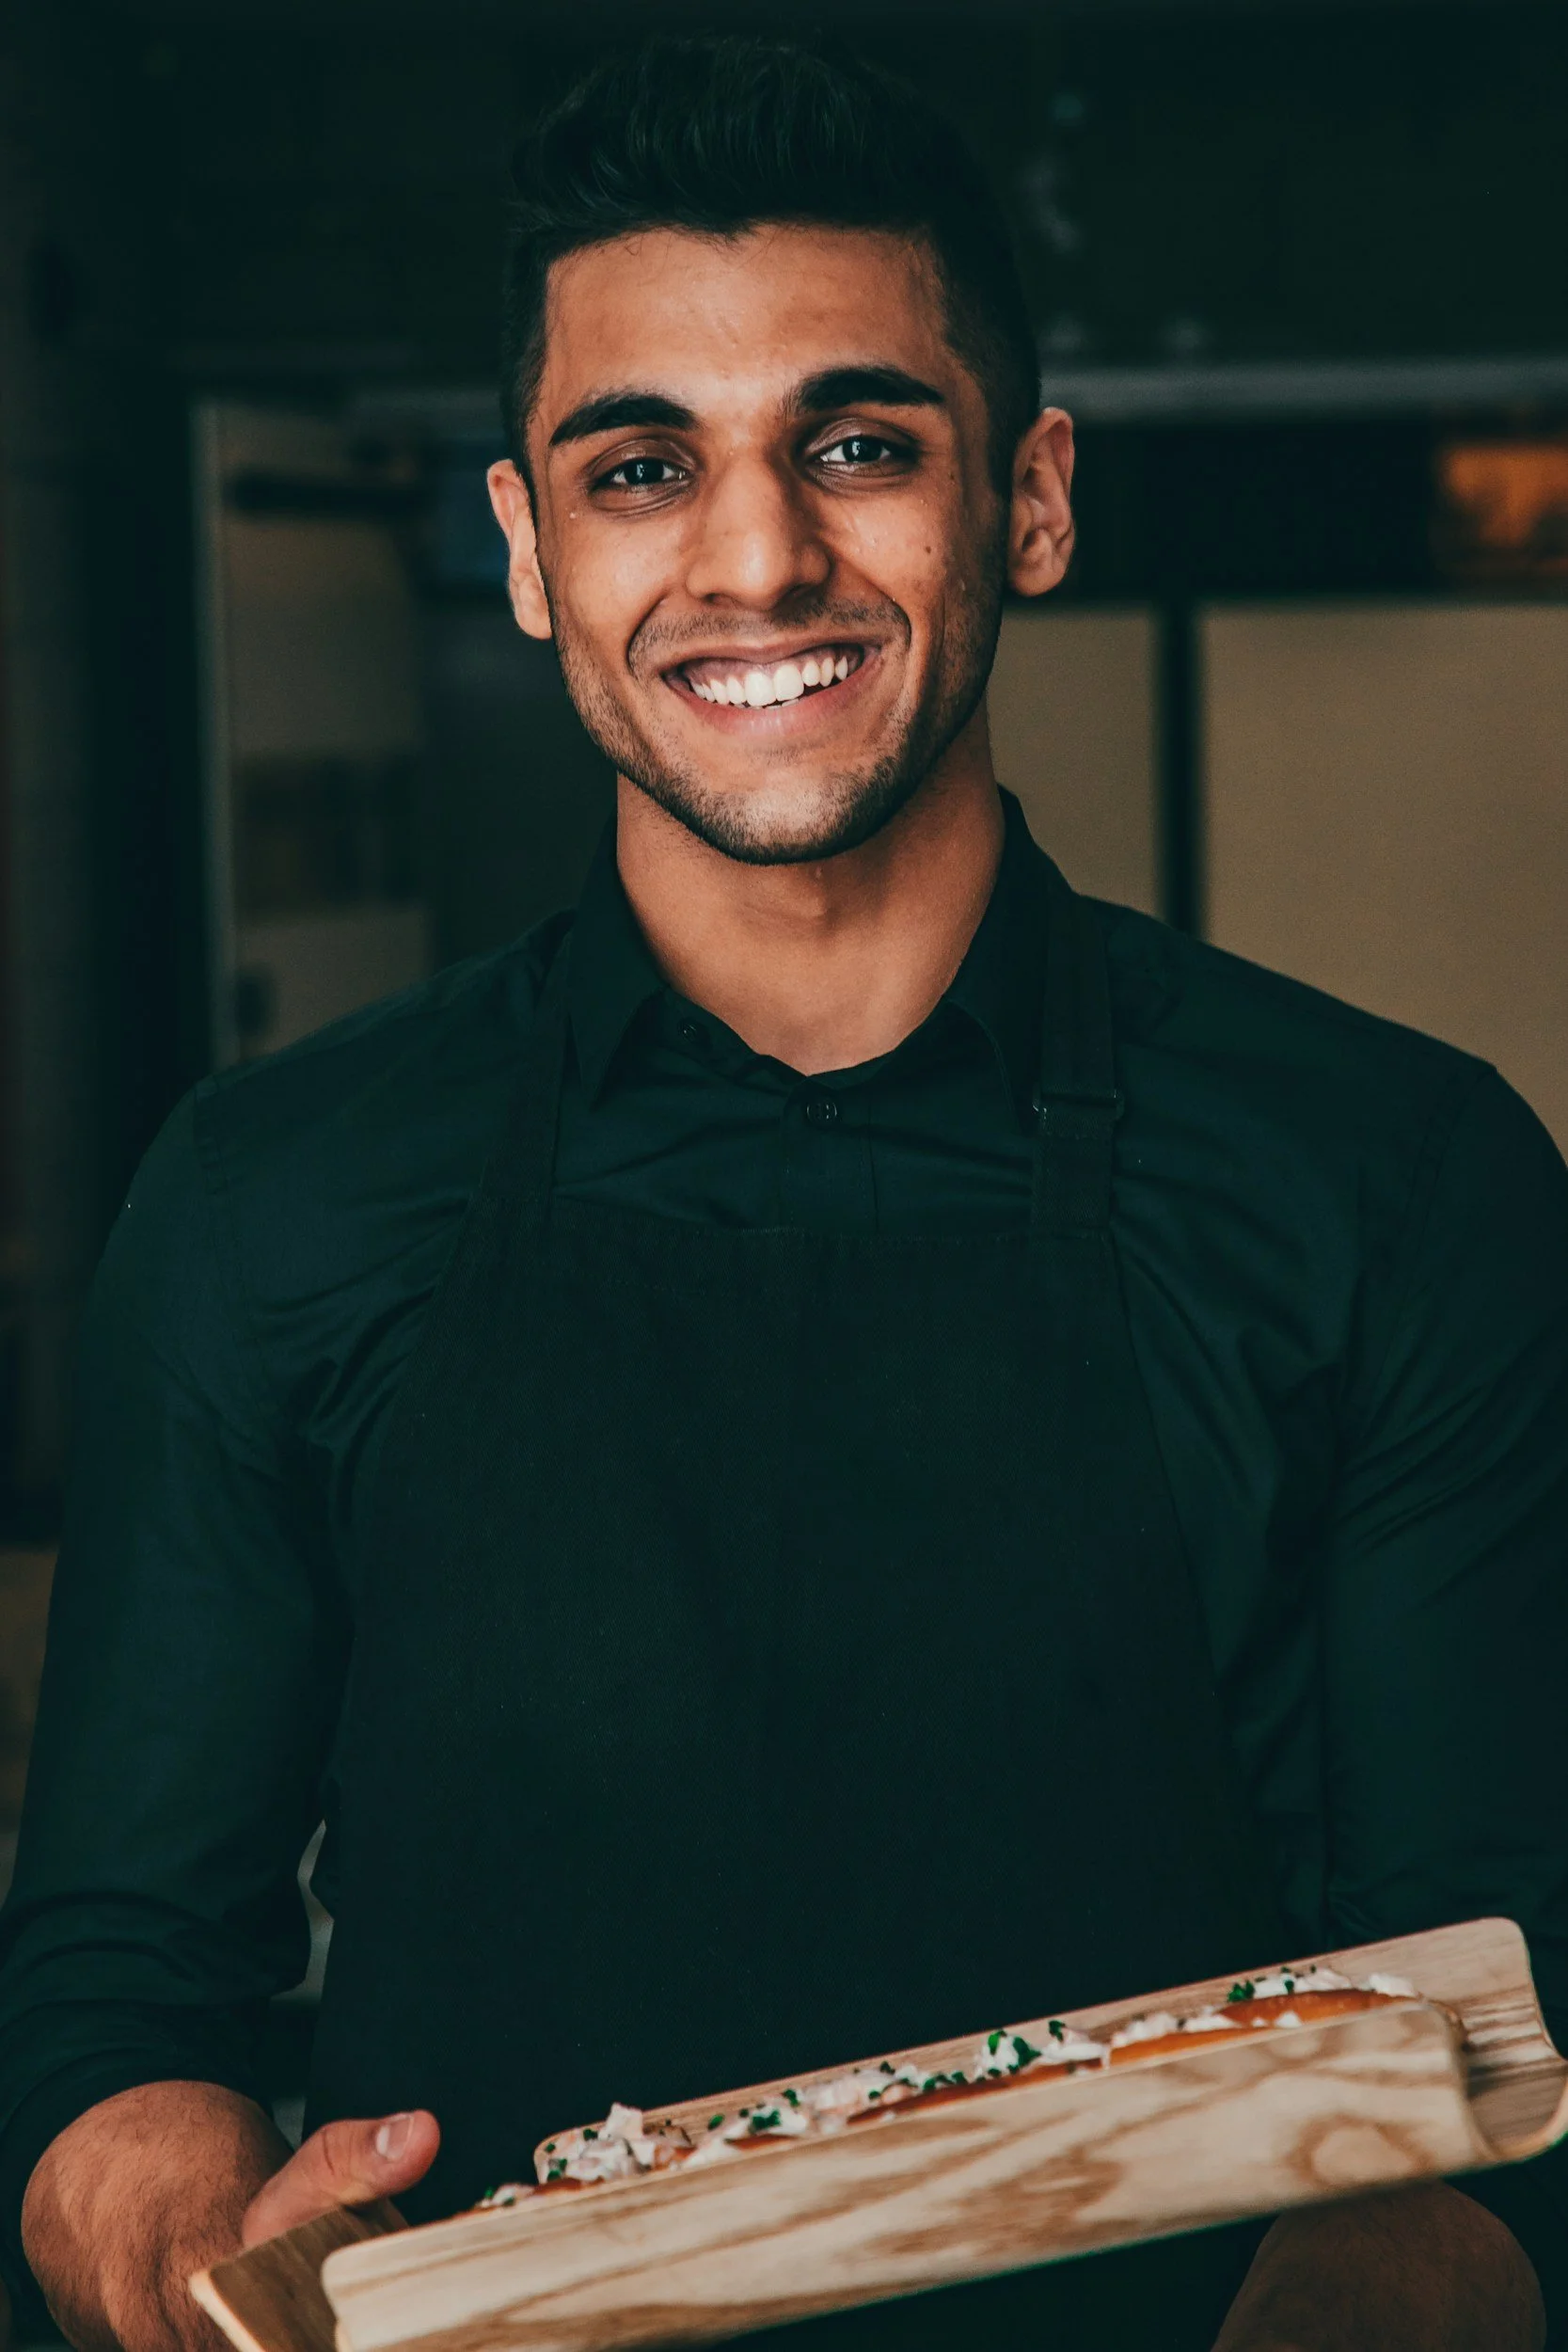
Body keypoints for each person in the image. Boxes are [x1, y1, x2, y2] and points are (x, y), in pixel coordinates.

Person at [0, 34, 1563, 2352]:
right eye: (642, 466)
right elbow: (125, 1964)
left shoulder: (1396, 1178)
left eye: (855, 441)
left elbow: (1502, 1971)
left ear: (1024, 498)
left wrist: (1381, 2288)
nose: (757, 558)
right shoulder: (272, 1196)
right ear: (529, 550)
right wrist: (205, 2257)